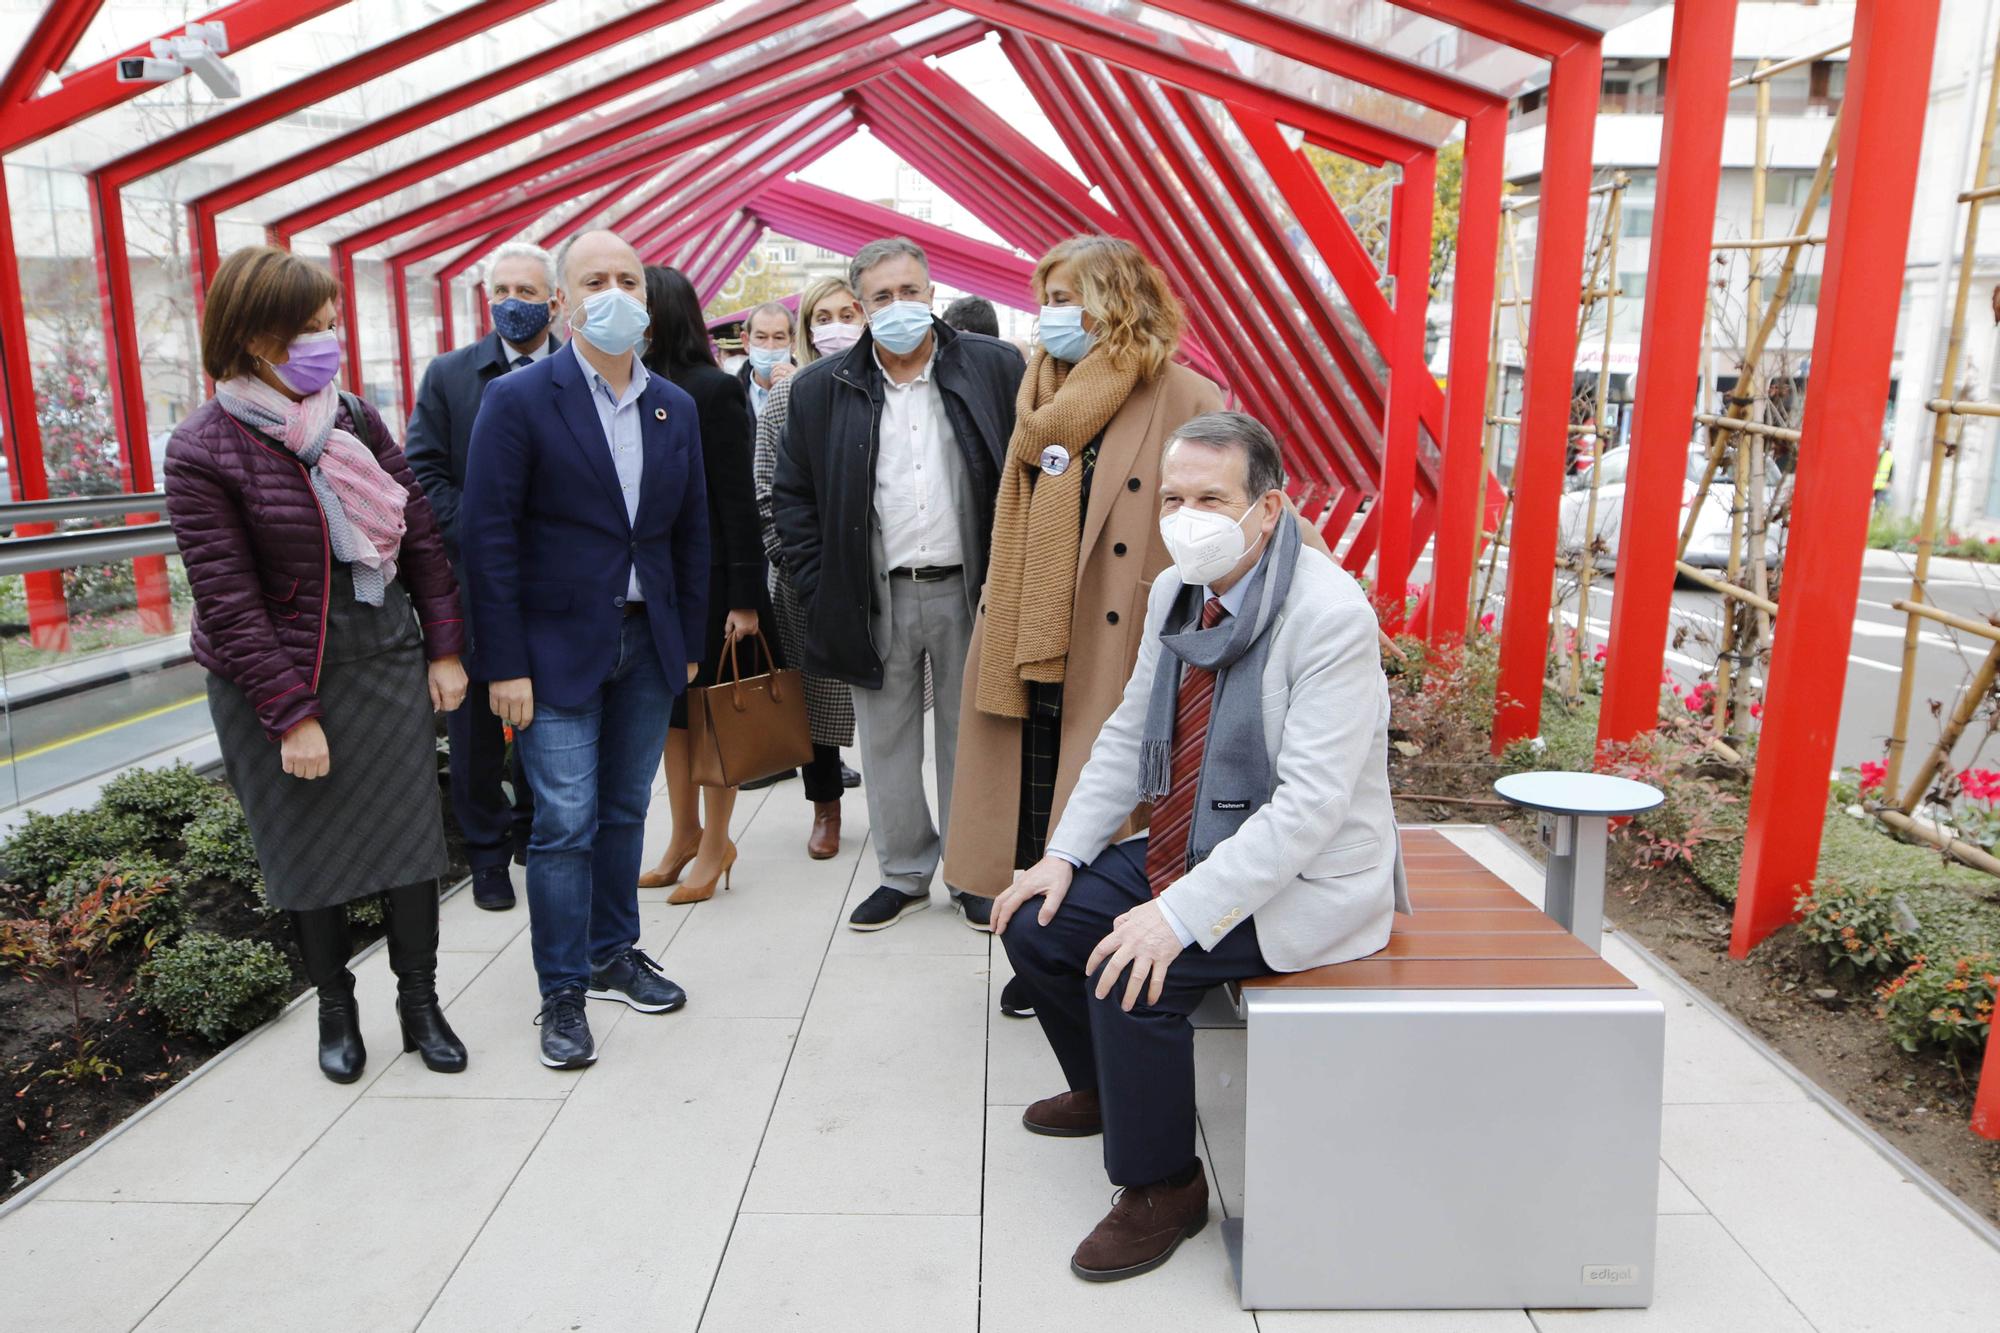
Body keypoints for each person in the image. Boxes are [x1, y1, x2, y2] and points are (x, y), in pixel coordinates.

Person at [991, 410, 1407, 1282]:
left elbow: (1309, 811)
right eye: (1173, 497)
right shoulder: (1178, 589)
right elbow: (1124, 733)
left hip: (1304, 876)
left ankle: (1164, 1186)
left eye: (1211, 498)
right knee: (1038, 926)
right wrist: (1061, 854)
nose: (1188, 517)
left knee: (1127, 964)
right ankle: (1113, 1088)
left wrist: (1172, 916)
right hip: (1191, 838)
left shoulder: (1328, 614)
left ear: (1268, 507)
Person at [165, 245, 470, 1085]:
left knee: (410, 845)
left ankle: (421, 1003)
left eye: (331, 326)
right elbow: (226, 599)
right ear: (256, 337)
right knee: (307, 854)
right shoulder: (202, 448)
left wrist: (444, 648)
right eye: (310, 330)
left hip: (379, 654)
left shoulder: (356, 420)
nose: (328, 344)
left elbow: (421, 540)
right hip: (274, 676)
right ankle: (335, 1007)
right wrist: (292, 715)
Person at [942, 235, 1223, 1022]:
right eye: (1048, 298)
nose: (1053, 315)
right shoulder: (1040, 390)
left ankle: (1096, 949)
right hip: (1032, 628)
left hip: (1115, 632)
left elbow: (1244, 496)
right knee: (1035, 801)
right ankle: (1041, 952)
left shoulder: (1186, 396)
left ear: (1118, 300)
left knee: (1099, 800)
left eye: (1070, 297)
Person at [461, 229, 708, 1070]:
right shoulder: (520, 400)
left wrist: (689, 643)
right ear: (562, 301)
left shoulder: (675, 403)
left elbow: (692, 535)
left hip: (648, 643)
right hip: (552, 647)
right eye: (595, 279)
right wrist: (504, 664)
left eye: (628, 278)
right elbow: (487, 538)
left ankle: (614, 952)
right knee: (563, 822)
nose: (615, 292)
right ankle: (562, 989)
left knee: (623, 811)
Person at [773, 237, 1025, 932]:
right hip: (872, 590)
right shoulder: (822, 389)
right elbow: (793, 495)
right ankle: (903, 873)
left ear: (932, 291)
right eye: (882, 297)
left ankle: (971, 872)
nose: (899, 306)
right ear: (859, 306)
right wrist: (821, 582)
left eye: (910, 291)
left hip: (969, 587)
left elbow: (1025, 469)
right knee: (884, 742)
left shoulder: (993, 366)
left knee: (971, 737)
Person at [404, 241, 561, 911]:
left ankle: (533, 828)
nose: (514, 303)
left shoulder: (578, 372)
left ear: (554, 302)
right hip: (474, 579)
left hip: (555, 582)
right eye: (503, 289)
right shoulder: (450, 375)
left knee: (548, 713)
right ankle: (488, 853)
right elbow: (420, 470)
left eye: (528, 291)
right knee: (472, 721)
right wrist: (481, 525)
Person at [635, 265, 775, 902]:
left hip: (715, 583)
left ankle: (717, 844)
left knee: (716, 715)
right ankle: (683, 833)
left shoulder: (712, 391)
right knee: (672, 718)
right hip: (654, 583)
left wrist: (745, 598)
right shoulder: (627, 387)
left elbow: (737, 497)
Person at [749, 276, 866, 858]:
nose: (837, 325)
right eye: (824, 316)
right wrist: (800, 568)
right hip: (806, 576)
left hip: (886, 576)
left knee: (893, 704)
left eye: (848, 312)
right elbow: (767, 493)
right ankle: (826, 807)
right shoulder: (786, 396)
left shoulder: (889, 390)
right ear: (807, 328)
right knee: (815, 701)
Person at [736, 300, 795, 421]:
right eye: (761, 337)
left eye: (779, 338)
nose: (770, 346)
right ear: (746, 341)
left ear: (793, 342)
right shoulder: (730, 393)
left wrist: (798, 389)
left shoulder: (810, 386)